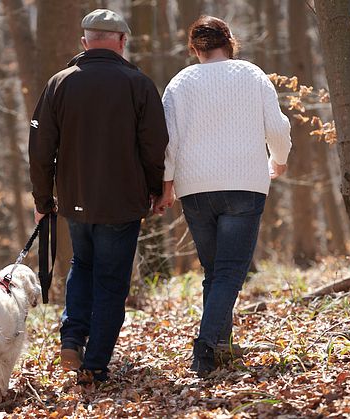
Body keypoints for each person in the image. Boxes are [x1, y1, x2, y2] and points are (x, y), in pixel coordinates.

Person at [28, 9, 169, 385]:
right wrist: (157, 189)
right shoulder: (138, 84)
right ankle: (96, 362)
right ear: (122, 42)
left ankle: (72, 337)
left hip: (75, 199)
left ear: (84, 42)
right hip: (122, 202)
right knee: (110, 280)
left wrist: (44, 201)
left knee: (83, 267)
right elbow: (155, 147)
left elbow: (40, 149)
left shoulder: (59, 83)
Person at [153, 16, 291, 377]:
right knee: (229, 272)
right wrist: (279, 160)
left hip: (195, 188)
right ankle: (205, 348)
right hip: (245, 182)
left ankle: (221, 347)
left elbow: (169, 140)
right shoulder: (252, 74)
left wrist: (167, 184)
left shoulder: (179, 83)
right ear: (230, 41)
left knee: (216, 272)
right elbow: (277, 126)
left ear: (194, 47)